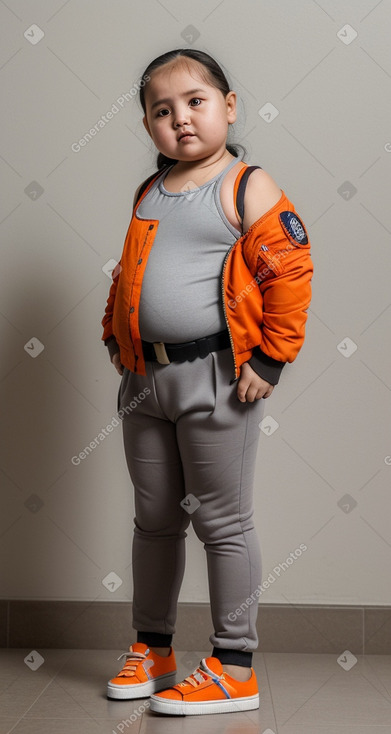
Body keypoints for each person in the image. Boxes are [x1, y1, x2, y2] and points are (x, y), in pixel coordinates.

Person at [101, 48, 313, 717]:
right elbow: (129, 273)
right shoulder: (149, 191)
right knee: (154, 521)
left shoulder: (246, 184)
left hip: (217, 378)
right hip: (144, 382)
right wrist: (116, 335)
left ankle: (234, 663)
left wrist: (270, 360)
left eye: (195, 101)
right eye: (161, 111)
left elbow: (290, 271)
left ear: (228, 106)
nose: (180, 119)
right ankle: (154, 647)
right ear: (147, 125)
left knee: (222, 523)